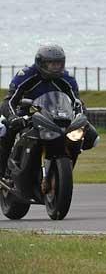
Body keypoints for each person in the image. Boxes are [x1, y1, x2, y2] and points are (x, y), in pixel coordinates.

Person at [0, 44, 98, 182]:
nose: (55, 67)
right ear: (40, 63)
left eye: (58, 63)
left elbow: (77, 102)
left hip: (58, 117)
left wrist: (80, 117)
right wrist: (13, 117)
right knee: (5, 131)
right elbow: (9, 101)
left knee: (91, 136)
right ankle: (2, 174)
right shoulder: (26, 75)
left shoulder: (67, 79)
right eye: (51, 63)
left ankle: (63, 171)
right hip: (28, 115)